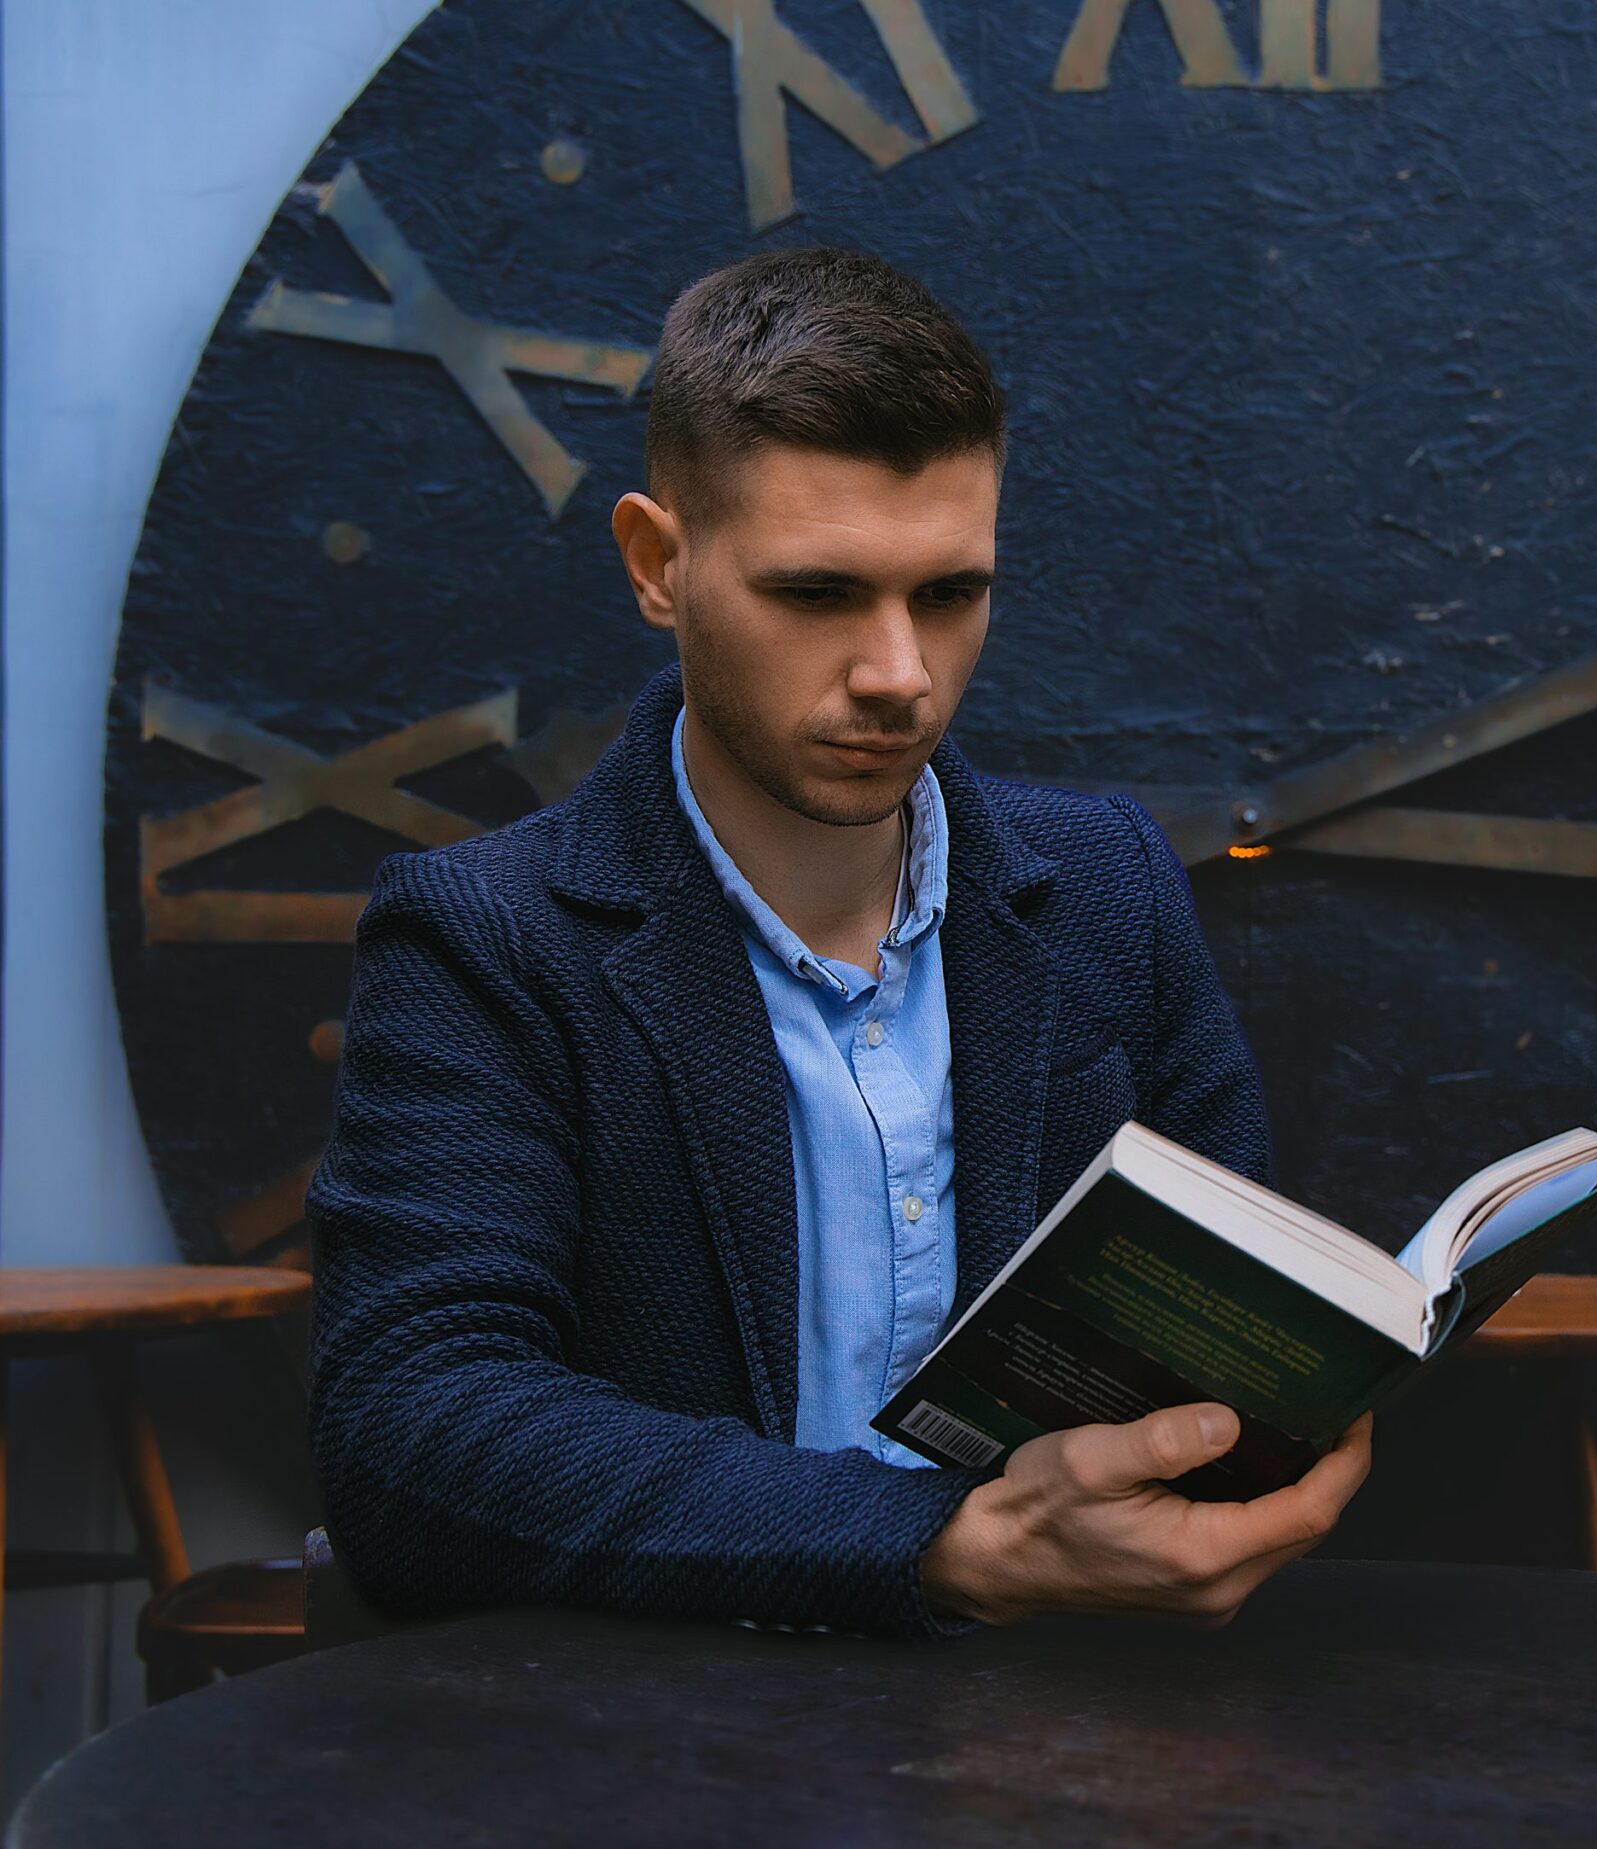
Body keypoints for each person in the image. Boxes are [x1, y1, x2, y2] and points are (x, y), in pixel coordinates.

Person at [307, 247, 1370, 1638]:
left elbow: (1223, 1325)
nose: (899, 673)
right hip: (643, 1751)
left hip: (1066, 1732)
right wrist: (934, 1546)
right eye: (819, 594)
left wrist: (1258, 1439)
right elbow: (415, 1434)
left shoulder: (1109, 886)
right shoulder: (484, 937)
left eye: (950, 593)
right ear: (657, 564)